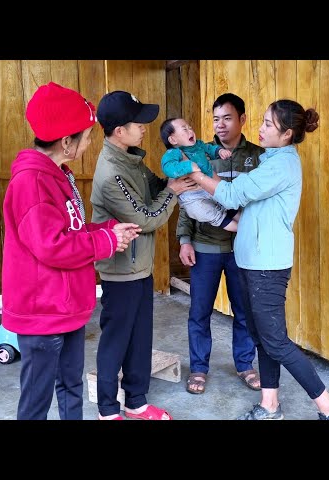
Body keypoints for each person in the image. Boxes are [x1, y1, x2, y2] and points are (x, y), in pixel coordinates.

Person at [191, 99, 329, 420]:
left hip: (268, 267)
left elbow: (235, 194)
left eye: (268, 125)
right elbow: (241, 192)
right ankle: (270, 405)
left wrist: (195, 174)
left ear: (287, 133)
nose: (260, 129)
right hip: (251, 261)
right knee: (262, 337)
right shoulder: (270, 159)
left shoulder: (282, 164)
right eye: (262, 122)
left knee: (276, 341)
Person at [2, 82, 140, 420]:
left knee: (71, 387)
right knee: (37, 399)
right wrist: (105, 243)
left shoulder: (58, 174)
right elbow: (52, 246)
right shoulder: (32, 183)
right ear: (67, 142)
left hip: (65, 307)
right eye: (87, 135)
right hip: (43, 312)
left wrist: (107, 230)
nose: (90, 142)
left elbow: (70, 231)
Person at [90, 90, 196, 420]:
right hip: (121, 272)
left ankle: (136, 402)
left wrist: (177, 174)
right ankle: (108, 410)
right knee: (115, 341)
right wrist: (174, 191)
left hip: (140, 267)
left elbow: (156, 187)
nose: (145, 127)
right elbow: (146, 218)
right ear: (119, 131)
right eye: (139, 123)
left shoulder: (130, 159)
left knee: (139, 339)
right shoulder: (112, 174)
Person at [176, 93, 264, 395]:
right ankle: (198, 368)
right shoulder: (198, 154)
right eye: (216, 119)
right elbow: (187, 200)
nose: (221, 125)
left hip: (243, 250)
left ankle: (245, 364)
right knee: (199, 311)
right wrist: (185, 240)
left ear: (242, 119)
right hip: (205, 247)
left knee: (244, 310)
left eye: (227, 118)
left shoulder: (258, 156)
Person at [160, 117, 239, 232]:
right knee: (210, 213)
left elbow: (209, 148)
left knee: (227, 204)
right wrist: (188, 166)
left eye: (190, 128)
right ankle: (240, 229)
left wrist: (219, 151)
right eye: (184, 129)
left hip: (208, 186)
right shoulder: (173, 153)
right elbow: (168, 167)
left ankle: (246, 223)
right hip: (192, 196)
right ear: (173, 140)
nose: (190, 131)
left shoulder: (198, 145)